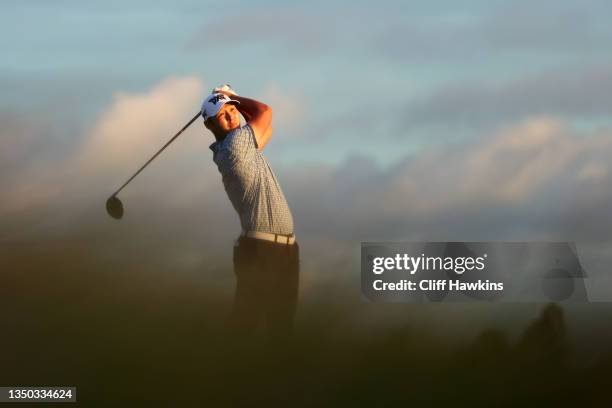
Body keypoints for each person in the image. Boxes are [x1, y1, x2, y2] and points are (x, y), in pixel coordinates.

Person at [201, 85, 299, 341]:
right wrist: (233, 97)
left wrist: (229, 101)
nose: (232, 116)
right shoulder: (235, 146)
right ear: (210, 126)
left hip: (281, 248)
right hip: (262, 249)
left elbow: (267, 128)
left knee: (279, 324)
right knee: (248, 321)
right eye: (223, 115)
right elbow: (265, 112)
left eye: (233, 111)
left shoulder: (238, 146)